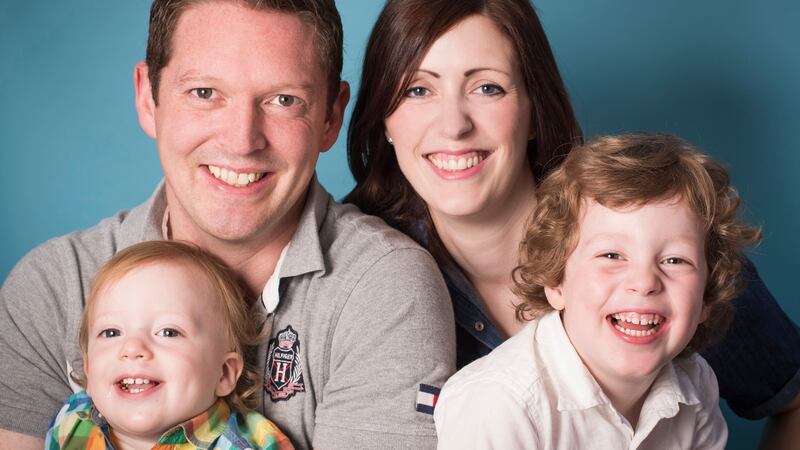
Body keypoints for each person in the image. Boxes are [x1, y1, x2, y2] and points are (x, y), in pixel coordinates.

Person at [0, 1, 455, 449]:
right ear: (147, 97)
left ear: (331, 117)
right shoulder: (55, 288)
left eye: (283, 100)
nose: (242, 141)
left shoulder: (383, 292)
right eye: (204, 93)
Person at [345, 0, 800, 445]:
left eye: (487, 88)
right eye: (417, 90)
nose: (453, 125)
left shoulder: (664, 239)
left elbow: (792, 398)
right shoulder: (357, 275)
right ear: (384, 118)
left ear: (532, 111)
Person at [435, 134, 760, 448]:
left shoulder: (696, 385)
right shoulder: (500, 405)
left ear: (706, 296)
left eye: (675, 260)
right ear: (556, 281)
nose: (645, 282)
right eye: (612, 255)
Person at [44, 241, 293, 450]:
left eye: (168, 332)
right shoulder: (70, 423)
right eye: (111, 332)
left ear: (224, 373)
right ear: (88, 367)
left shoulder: (253, 445)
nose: (132, 348)